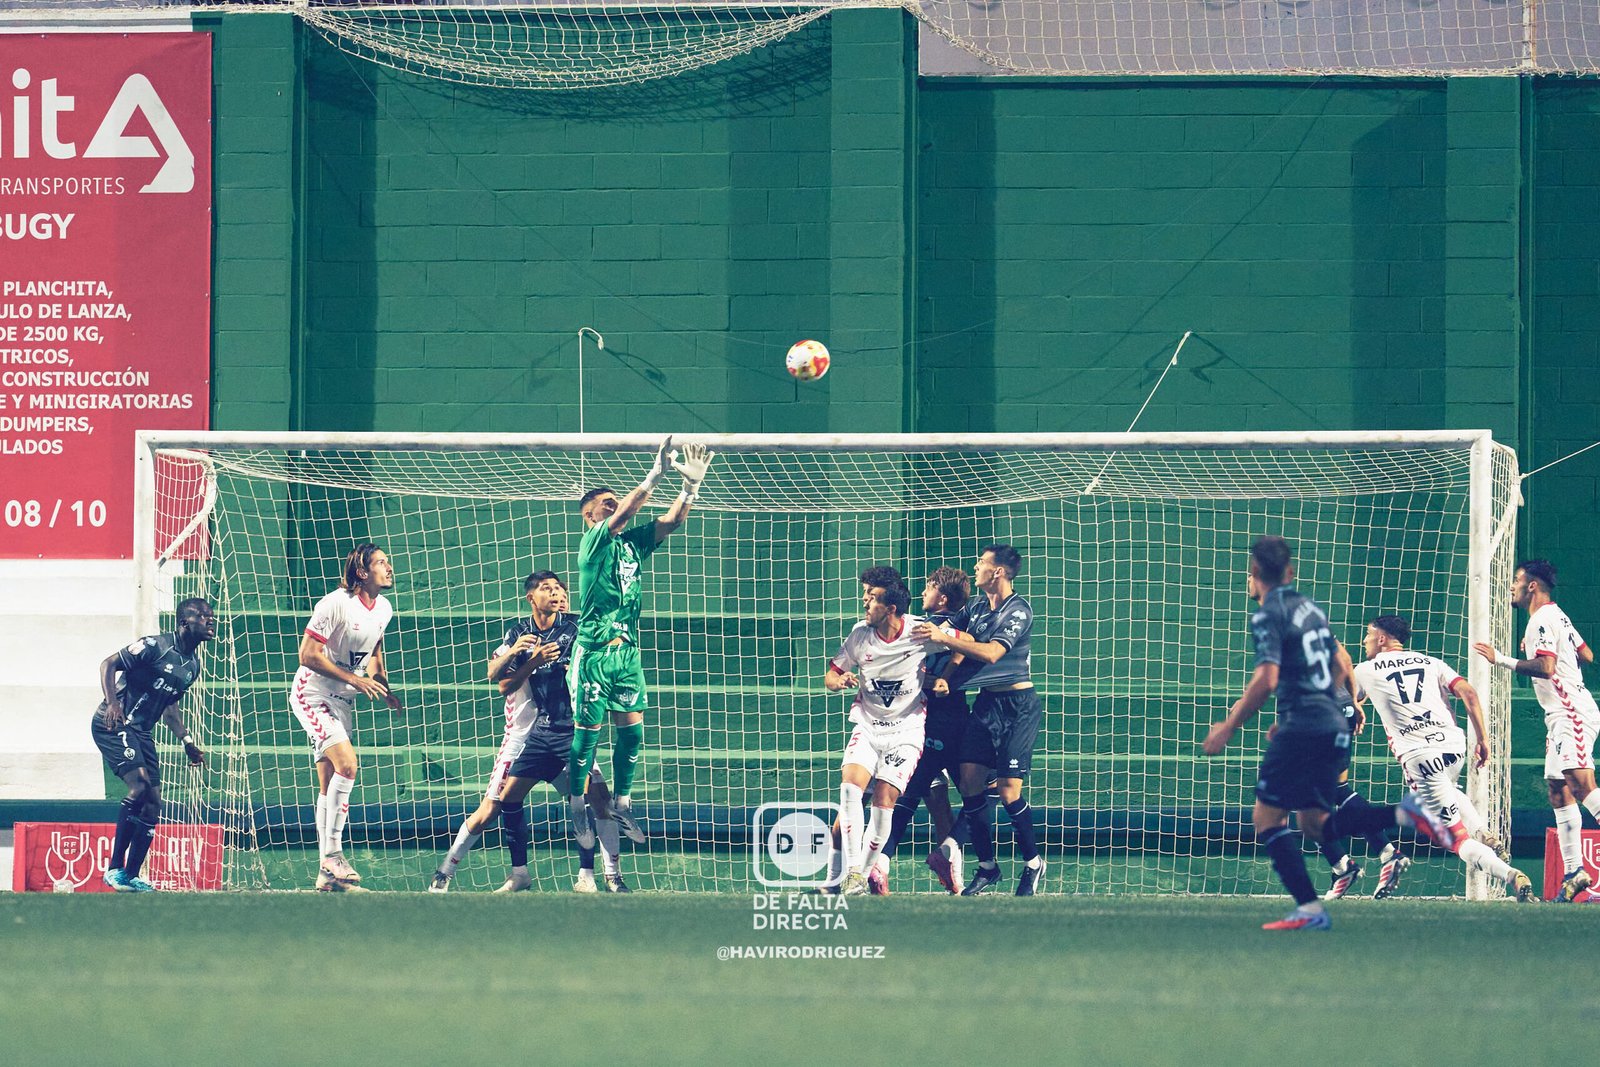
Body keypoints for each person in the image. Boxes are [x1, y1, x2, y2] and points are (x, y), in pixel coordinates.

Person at [1202, 536, 1450, 931]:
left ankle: (1310, 907)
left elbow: (1266, 679)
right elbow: (1341, 660)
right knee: (1313, 821)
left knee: (1268, 819)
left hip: (1304, 724)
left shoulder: (1268, 614)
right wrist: (1346, 703)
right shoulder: (1309, 609)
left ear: (1254, 574)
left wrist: (1229, 727)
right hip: (1330, 719)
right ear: (1290, 572)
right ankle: (1402, 814)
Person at [430, 575, 636, 893]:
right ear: (531, 597)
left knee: (597, 800)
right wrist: (518, 654)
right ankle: (454, 871)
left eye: (560, 589)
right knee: (494, 806)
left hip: (569, 731)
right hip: (526, 736)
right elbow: (498, 679)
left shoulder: (577, 629)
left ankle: (604, 875)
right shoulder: (518, 634)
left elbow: (609, 649)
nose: (556, 593)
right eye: (548, 588)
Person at [567, 437, 714, 848]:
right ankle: (578, 805)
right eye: (605, 503)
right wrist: (654, 475)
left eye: (616, 500)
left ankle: (623, 802)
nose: (613, 505)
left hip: (627, 653)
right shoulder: (592, 545)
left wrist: (689, 489)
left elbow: (670, 522)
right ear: (588, 516)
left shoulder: (632, 546)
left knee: (632, 734)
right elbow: (627, 511)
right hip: (594, 651)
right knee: (589, 735)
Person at [1344, 614, 1532, 902]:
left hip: (1420, 756)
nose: (1365, 640)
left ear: (1382, 638)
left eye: (1368, 635)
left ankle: (1510, 874)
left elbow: (1345, 699)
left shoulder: (1366, 670)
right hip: (1455, 746)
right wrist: (1482, 739)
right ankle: (1483, 832)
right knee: (1449, 789)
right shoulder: (1431, 663)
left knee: (1456, 839)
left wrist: (1354, 705)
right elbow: (1468, 693)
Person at [915, 545, 1047, 896]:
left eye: (982, 563)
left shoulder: (1018, 610)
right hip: (987, 704)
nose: (976, 567)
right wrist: (944, 672)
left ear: (998, 571)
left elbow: (990, 653)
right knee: (971, 783)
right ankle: (987, 867)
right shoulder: (974, 607)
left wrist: (944, 638)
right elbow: (953, 637)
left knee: (1006, 791)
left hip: (1018, 705)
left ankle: (1033, 863)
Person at [1474, 559, 1599, 902]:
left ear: (1531, 585)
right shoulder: (1557, 615)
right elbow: (1586, 654)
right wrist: (1546, 647)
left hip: (1570, 711)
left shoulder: (1542, 619)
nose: (1511, 587)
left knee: (1581, 784)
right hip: (1561, 714)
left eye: (1516, 581)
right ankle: (1575, 872)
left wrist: (1502, 659)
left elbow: (1545, 667)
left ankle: (1576, 872)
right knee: (1559, 789)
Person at [825, 572, 956, 896]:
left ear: (891, 607)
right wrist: (838, 682)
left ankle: (862, 872)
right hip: (868, 726)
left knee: (885, 800)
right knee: (849, 791)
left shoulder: (919, 631)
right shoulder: (859, 635)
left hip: (906, 731)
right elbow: (831, 674)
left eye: (872, 597)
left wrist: (945, 676)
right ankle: (854, 873)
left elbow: (961, 643)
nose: (865, 601)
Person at [290, 543, 401, 892]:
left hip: (342, 702)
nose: (389, 567)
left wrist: (382, 684)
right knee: (348, 766)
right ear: (363, 572)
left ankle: (326, 877)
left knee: (329, 786)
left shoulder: (384, 608)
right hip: (313, 693)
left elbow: (374, 651)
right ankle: (334, 854)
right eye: (381, 563)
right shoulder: (334, 603)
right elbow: (307, 654)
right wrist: (354, 678)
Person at [92, 598, 212, 892]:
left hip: (142, 733)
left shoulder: (192, 666)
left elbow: (169, 708)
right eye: (204, 616)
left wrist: (187, 741)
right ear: (185, 622)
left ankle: (130, 877)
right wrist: (112, 704)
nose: (211, 620)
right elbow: (108, 664)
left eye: (212, 616)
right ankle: (114, 869)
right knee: (141, 787)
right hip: (114, 723)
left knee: (154, 803)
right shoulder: (154, 646)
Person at [873, 567, 973, 895]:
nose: (924, 592)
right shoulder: (930, 627)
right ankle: (949, 862)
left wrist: (932, 680)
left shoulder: (940, 629)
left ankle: (884, 863)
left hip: (937, 721)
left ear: (942, 597)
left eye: (929, 587)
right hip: (939, 722)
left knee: (911, 794)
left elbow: (949, 667)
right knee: (965, 795)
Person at [1316, 640, 1404, 900]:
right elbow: (1344, 658)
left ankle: (1345, 866)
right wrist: (1352, 701)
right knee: (1337, 791)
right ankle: (1381, 853)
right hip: (1339, 709)